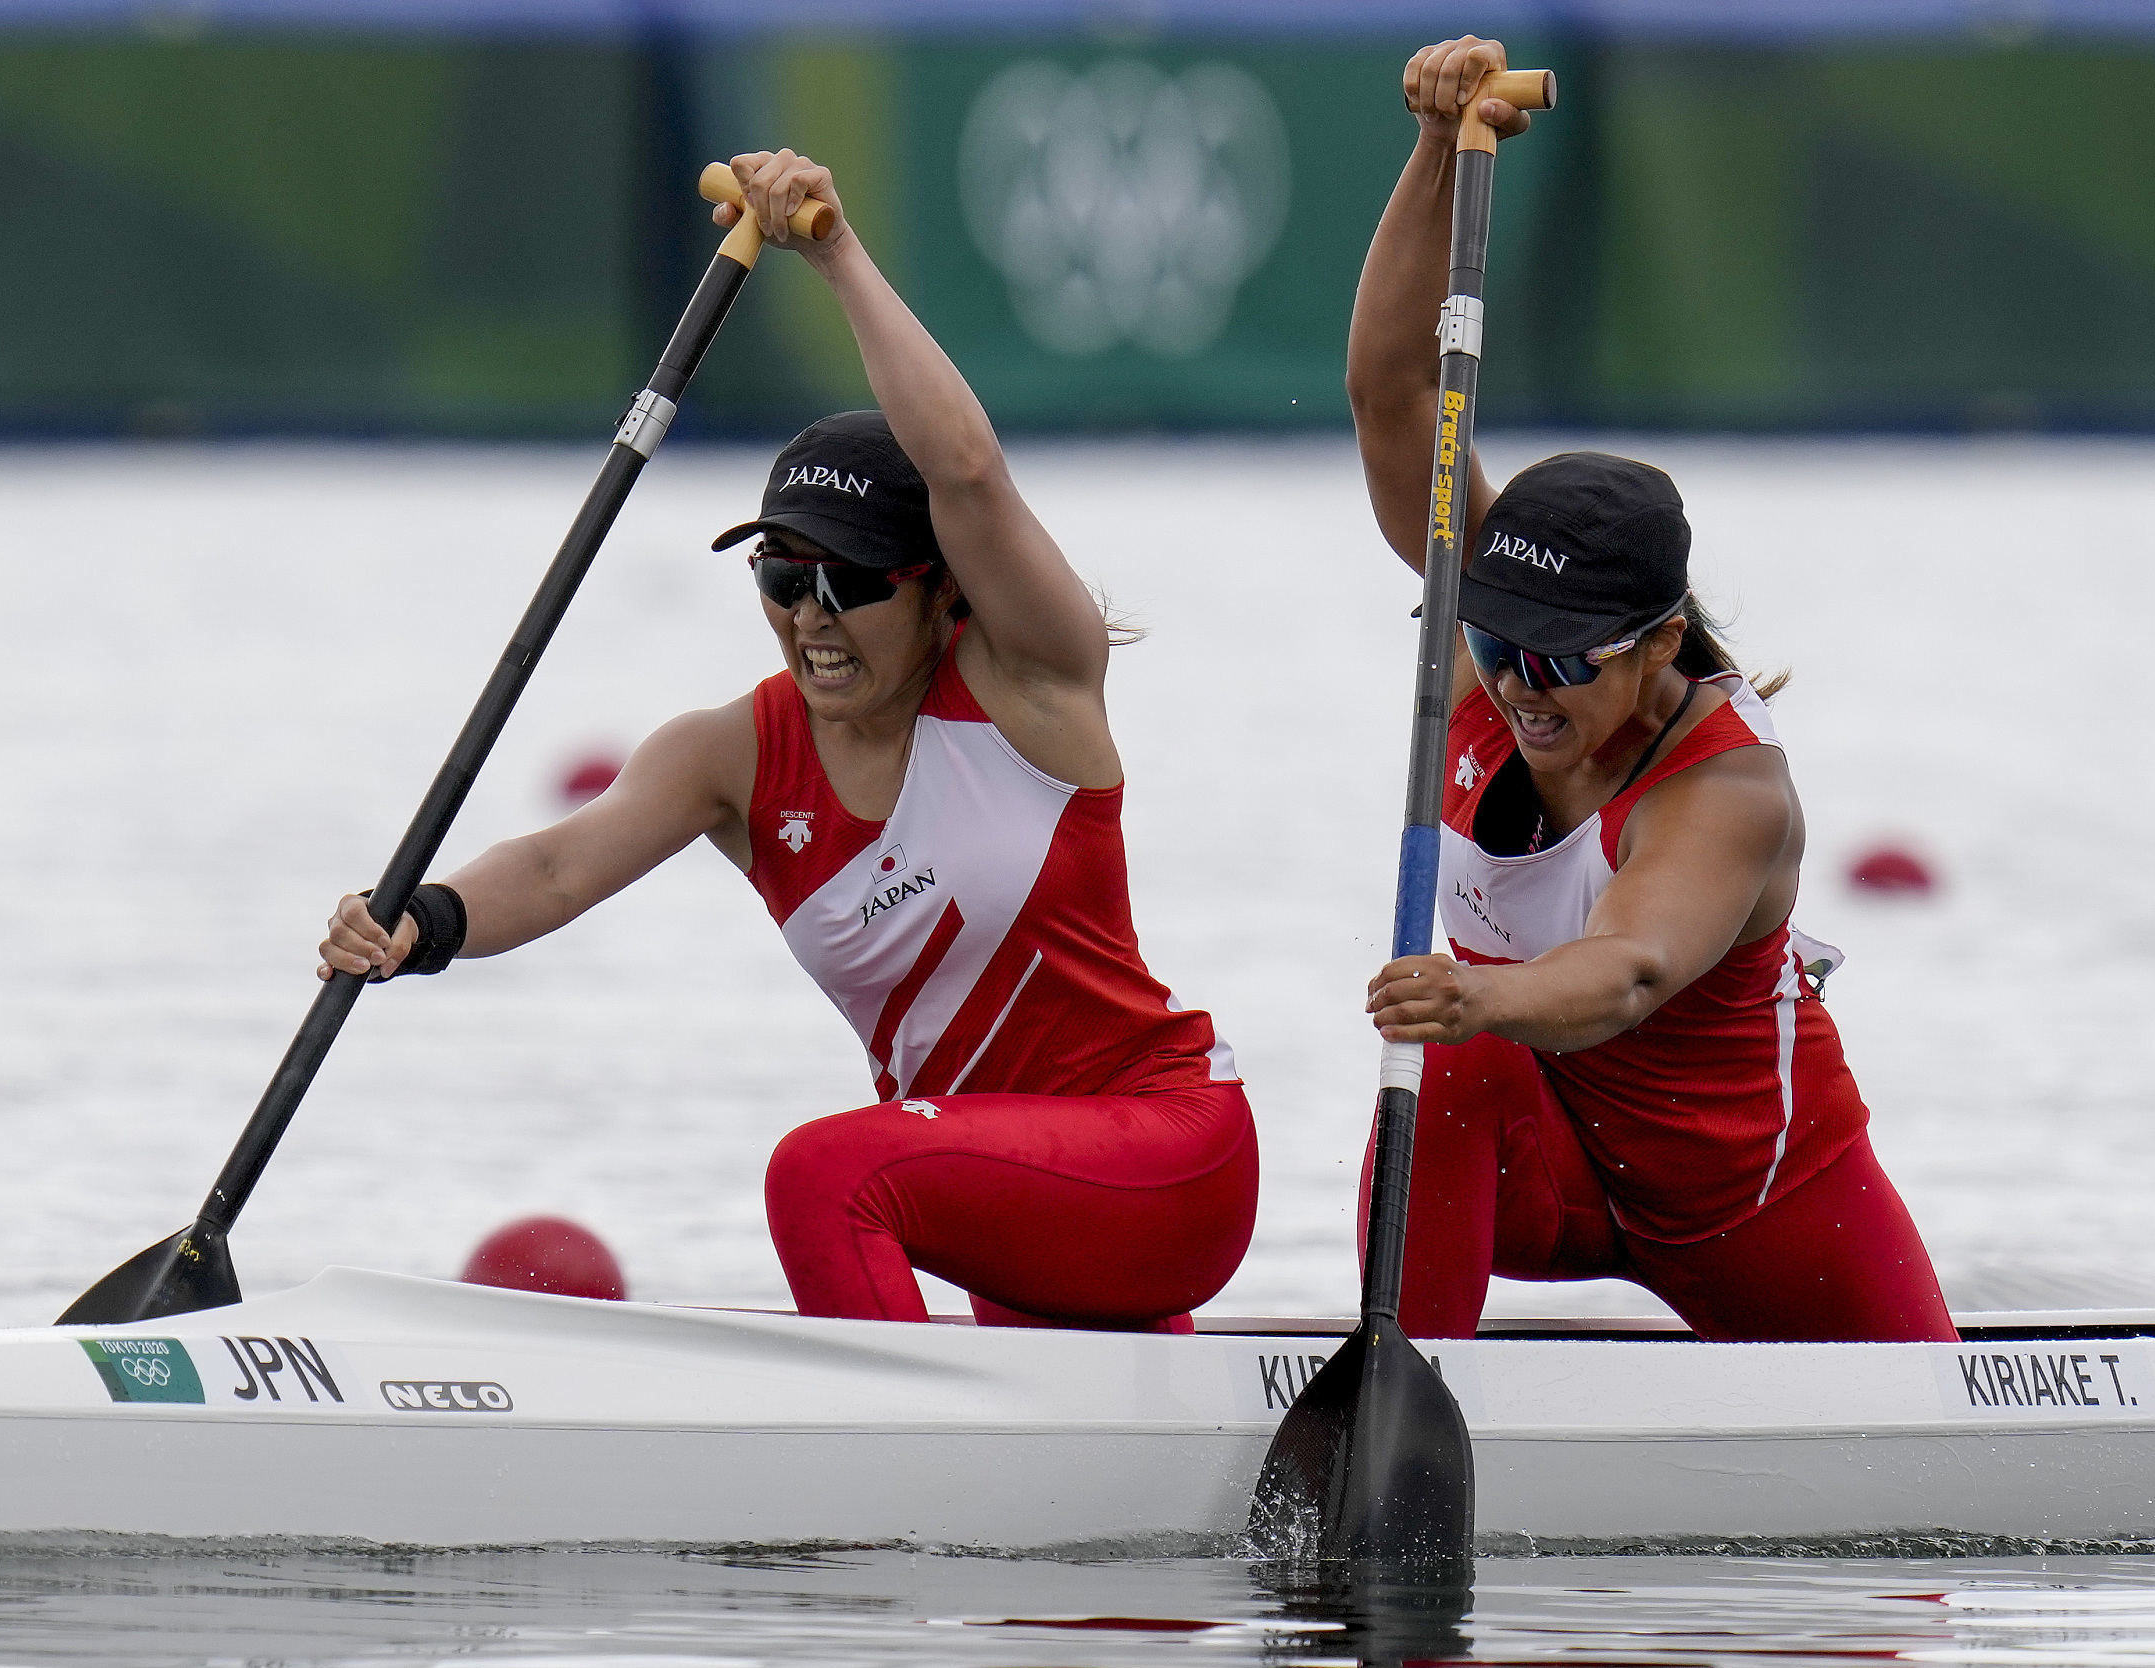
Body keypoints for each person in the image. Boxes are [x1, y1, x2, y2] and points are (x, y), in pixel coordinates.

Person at [319, 150, 1254, 1333]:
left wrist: (834, 255)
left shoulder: (1031, 682)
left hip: (1166, 1156)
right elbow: (560, 865)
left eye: (848, 580)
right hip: (1008, 1195)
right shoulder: (734, 755)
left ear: (936, 590)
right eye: (779, 573)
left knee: (820, 1172)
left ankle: (874, 1494)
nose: (809, 614)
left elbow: (963, 470)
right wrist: (423, 921)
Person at [1347, 38, 1956, 1345]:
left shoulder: (1731, 785)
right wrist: (1432, 150)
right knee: (1444, 1072)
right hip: (1561, 1180)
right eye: (1505, 645)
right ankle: (1400, 1378)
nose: (1522, 684)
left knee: (1457, 1029)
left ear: (1660, 642)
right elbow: (1395, 397)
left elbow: (1627, 973)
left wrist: (1479, 995)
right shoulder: (1488, 643)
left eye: (1569, 659)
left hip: (1762, 1206)